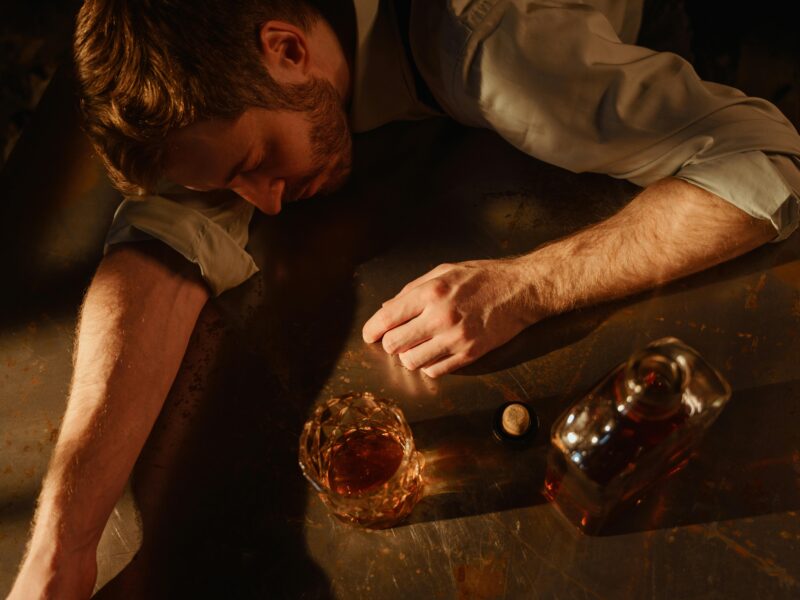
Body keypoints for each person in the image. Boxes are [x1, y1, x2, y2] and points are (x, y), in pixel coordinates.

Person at [10, 0, 800, 597]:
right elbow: (159, 244)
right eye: (233, 183)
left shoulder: (501, 55)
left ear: (287, 47)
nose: (268, 204)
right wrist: (62, 545)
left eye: (259, 160)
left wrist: (527, 285)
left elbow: (765, 165)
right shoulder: (227, 51)